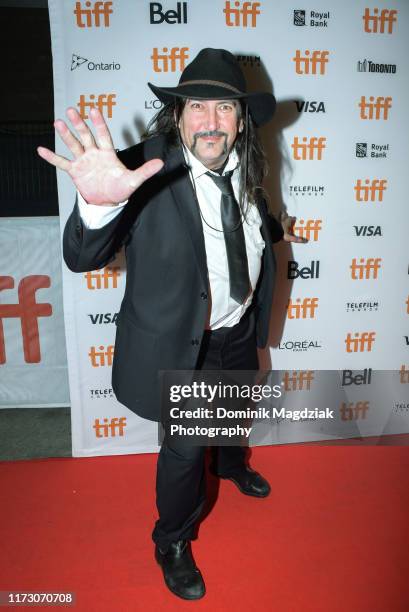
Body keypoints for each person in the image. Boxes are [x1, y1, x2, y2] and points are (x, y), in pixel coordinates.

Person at [38, 48, 303, 600]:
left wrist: (278, 230)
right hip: (184, 345)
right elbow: (82, 257)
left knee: (234, 411)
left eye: (225, 108)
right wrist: (96, 204)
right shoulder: (142, 170)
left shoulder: (247, 162)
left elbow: (246, 220)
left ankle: (230, 462)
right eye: (198, 106)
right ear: (178, 113)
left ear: (241, 119)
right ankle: (172, 541)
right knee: (184, 454)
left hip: (236, 331)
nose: (211, 121)